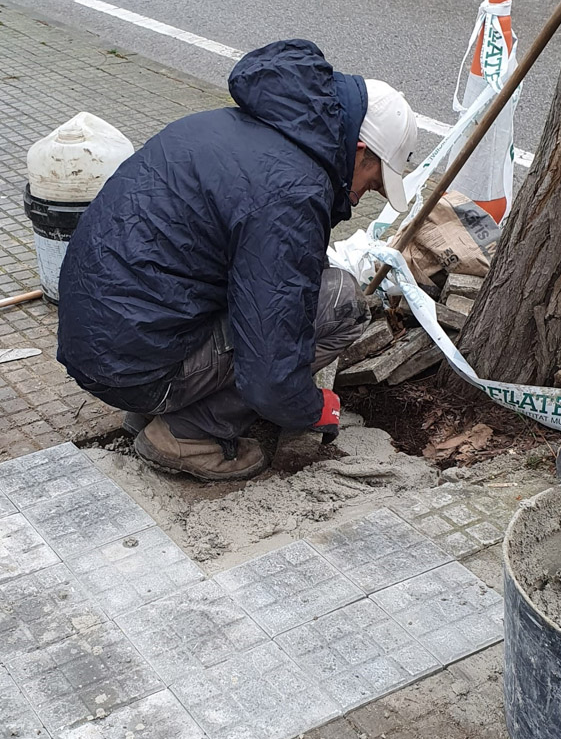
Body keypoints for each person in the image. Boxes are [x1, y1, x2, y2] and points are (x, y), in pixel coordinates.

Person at [57, 39, 419, 481]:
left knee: (301, 280)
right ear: (360, 149)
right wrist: (309, 408)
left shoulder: (246, 130)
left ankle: (157, 404)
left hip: (102, 344)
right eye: (375, 181)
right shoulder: (291, 190)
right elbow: (269, 364)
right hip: (132, 365)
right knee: (339, 301)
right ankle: (187, 431)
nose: (364, 196)